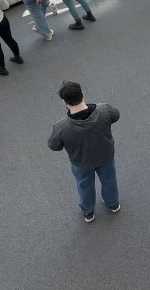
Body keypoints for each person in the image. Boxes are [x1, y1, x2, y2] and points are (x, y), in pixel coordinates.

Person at [48, 81, 121, 222]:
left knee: (84, 185)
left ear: (65, 102)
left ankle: (88, 212)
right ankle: (113, 203)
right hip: (106, 156)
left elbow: (54, 146)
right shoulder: (104, 110)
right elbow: (116, 115)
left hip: (81, 162)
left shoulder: (61, 127)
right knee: (109, 179)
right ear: (82, 94)